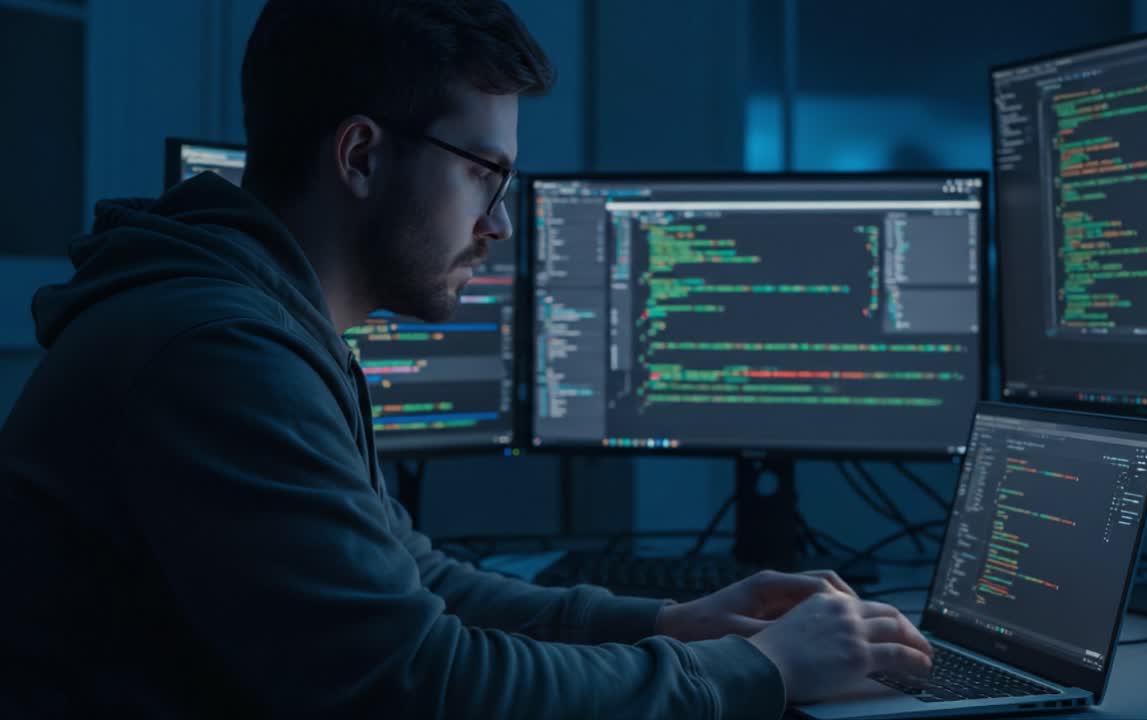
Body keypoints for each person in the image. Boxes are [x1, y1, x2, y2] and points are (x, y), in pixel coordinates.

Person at [0, 1, 932, 717]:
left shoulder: (251, 316)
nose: (500, 224)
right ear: (361, 156)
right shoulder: (217, 352)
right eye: (487, 175)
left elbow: (415, 586)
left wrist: (666, 623)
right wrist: (757, 668)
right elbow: (420, 683)